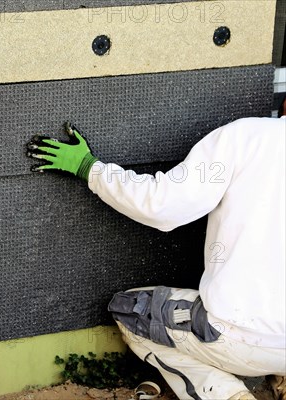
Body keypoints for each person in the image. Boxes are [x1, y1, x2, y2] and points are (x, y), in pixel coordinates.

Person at [26, 100, 286, 400]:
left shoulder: (247, 137)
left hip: (236, 338)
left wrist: (90, 169)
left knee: (131, 311)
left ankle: (228, 396)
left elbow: (162, 206)